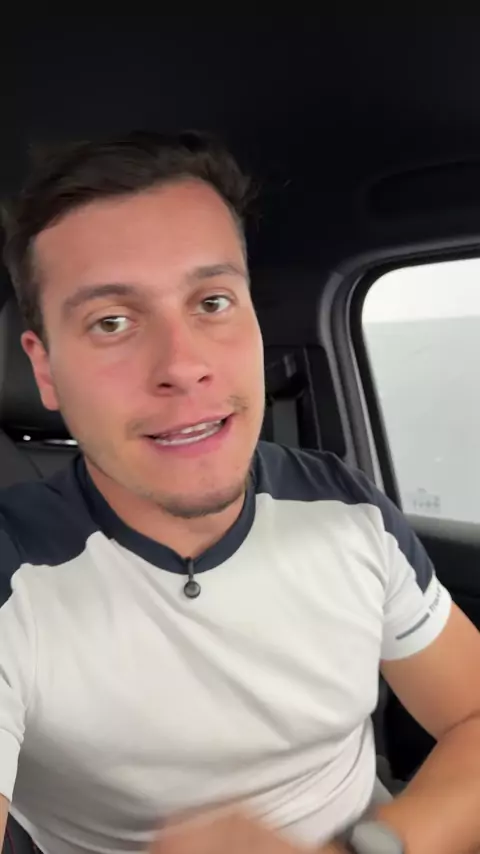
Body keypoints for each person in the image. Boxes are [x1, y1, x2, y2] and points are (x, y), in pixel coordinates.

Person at [0, 131, 479, 854]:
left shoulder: (344, 506)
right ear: (45, 369)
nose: (182, 364)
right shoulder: (15, 575)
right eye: (112, 322)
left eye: (213, 301)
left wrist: (367, 849)